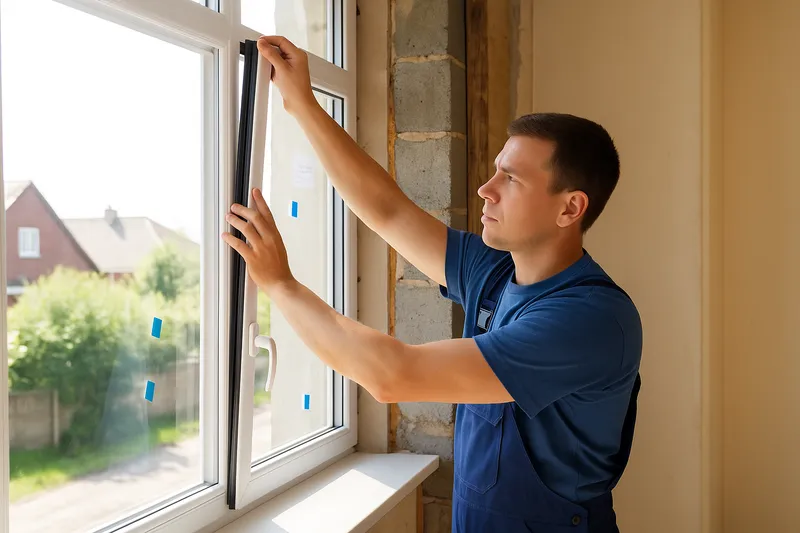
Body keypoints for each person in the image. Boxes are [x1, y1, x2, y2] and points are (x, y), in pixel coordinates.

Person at [221, 35, 643, 533]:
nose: (486, 190)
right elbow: (389, 211)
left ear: (570, 208)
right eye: (494, 172)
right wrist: (303, 104)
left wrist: (281, 285)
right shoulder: (496, 272)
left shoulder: (590, 321)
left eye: (511, 179)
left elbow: (391, 374)